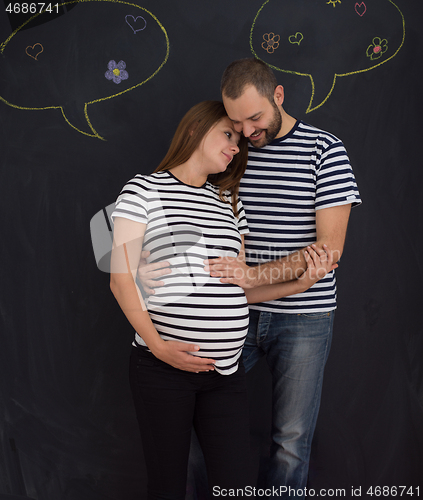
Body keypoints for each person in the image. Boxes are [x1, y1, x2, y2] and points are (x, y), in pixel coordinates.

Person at [138, 60, 362, 499]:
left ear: (278, 96)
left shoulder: (325, 151)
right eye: (234, 122)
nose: (244, 132)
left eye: (253, 119)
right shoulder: (225, 150)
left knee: (291, 441)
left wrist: (252, 275)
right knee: (204, 437)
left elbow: (329, 251)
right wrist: (141, 260)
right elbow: (182, 208)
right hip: (228, 318)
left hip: (303, 316)